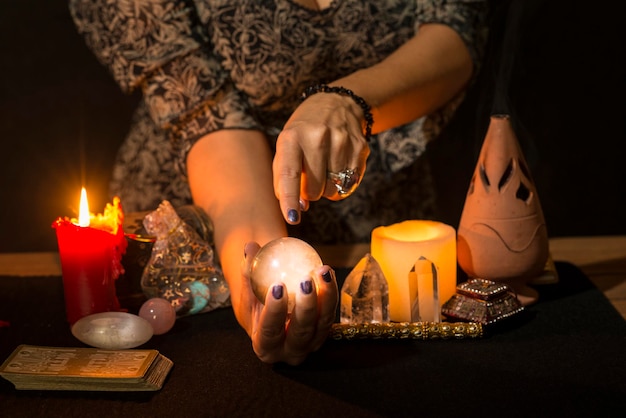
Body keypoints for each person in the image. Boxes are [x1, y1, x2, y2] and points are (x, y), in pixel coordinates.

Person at [69, 0, 488, 365]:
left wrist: (348, 102)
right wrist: (255, 282)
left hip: (378, 231)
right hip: (209, 235)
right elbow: (204, 110)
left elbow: (455, 30)